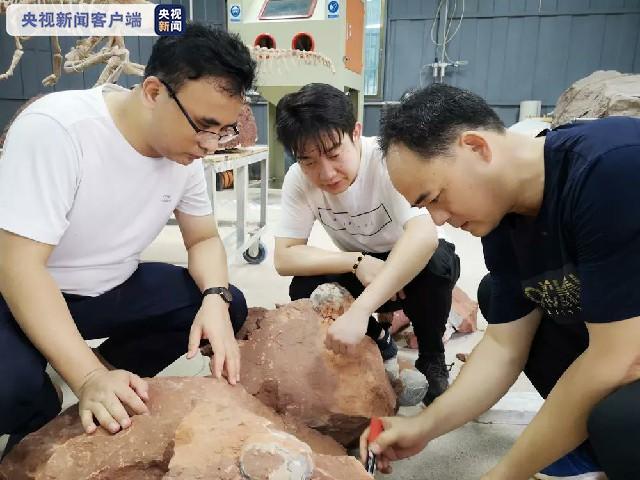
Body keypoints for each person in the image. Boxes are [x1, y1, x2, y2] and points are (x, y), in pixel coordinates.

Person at [359, 83, 640, 480]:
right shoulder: (503, 218)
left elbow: (619, 360)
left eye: (435, 197)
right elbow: (504, 346)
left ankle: (604, 440)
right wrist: (425, 426)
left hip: (629, 347)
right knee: (499, 295)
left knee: (621, 424)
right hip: (624, 336)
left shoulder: (610, 169)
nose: (438, 219)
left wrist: (505, 473)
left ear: (477, 147)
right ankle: (585, 444)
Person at [0, 23, 255, 456]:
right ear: (154, 92)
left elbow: (203, 239)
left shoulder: (186, 155)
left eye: (222, 131)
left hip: (111, 286)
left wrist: (215, 298)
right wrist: (86, 378)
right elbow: (19, 266)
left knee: (226, 306)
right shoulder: (58, 129)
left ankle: (111, 377)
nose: (210, 146)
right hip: (21, 292)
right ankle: (45, 408)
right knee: (10, 390)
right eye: (204, 126)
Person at [273, 83, 460, 405]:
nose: (326, 173)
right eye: (309, 161)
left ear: (356, 132)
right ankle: (379, 340)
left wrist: (361, 308)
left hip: (410, 263)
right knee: (303, 287)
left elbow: (423, 235)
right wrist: (356, 261)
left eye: (334, 154)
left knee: (437, 266)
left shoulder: (387, 160)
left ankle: (432, 356)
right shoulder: (297, 180)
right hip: (362, 264)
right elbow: (284, 257)